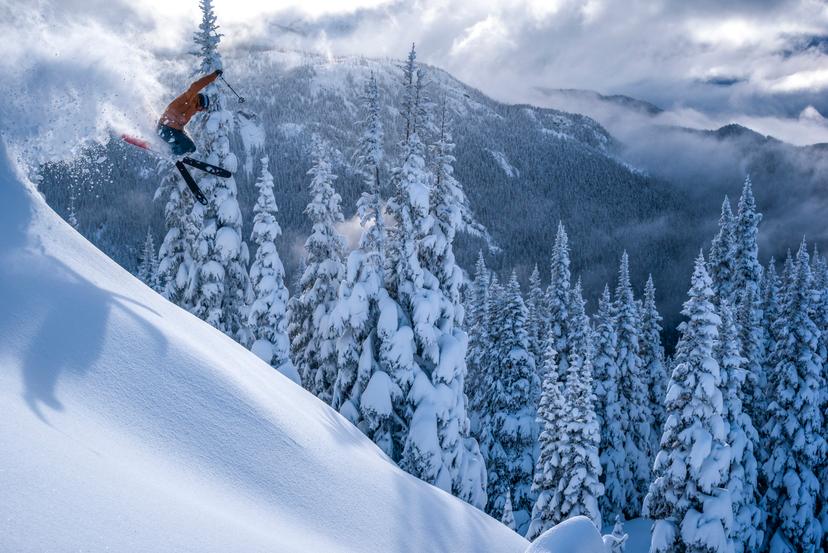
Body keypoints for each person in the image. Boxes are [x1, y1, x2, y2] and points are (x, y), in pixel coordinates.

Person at [157, 69, 223, 156]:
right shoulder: (190, 97)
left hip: (174, 130)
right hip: (165, 128)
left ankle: (179, 156)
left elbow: (180, 122)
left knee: (192, 148)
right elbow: (197, 85)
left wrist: (182, 131)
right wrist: (214, 75)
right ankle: (172, 155)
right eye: (201, 108)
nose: (200, 111)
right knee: (185, 146)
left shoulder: (194, 108)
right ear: (200, 102)